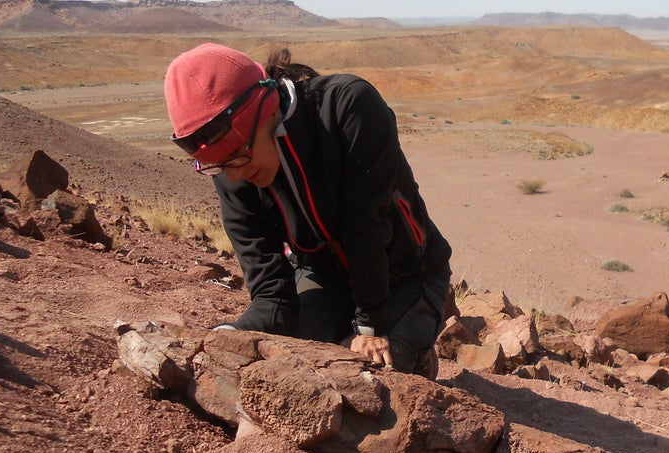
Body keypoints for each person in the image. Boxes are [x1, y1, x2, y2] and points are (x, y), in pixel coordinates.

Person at [163, 43, 452, 378]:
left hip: (407, 275)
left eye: (239, 155)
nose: (236, 175)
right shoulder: (230, 166)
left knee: (370, 378)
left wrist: (370, 327)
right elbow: (272, 295)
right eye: (218, 165)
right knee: (285, 367)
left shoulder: (348, 107)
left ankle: (418, 354)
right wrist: (229, 338)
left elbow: (365, 225)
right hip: (323, 277)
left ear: (268, 110)